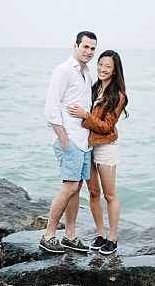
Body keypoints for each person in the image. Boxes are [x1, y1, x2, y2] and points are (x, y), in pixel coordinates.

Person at [39, 31, 98, 254]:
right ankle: (48, 235)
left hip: (83, 140)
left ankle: (70, 236)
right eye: (85, 47)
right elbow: (51, 108)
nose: (89, 52)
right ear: (75, 46)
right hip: (70, 139)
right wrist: (64, 139)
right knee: (69, 186)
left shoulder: (87, 74)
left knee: (77, 187)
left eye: (92, 48)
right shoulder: (63, 70)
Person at [67, 50, 128, 255]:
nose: (102, 68)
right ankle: (101, 235)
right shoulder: (93, 88)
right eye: (100, 64)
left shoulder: (118, 96)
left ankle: (112, 239)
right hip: (87, 146)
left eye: (108, 66)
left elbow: (107, 127)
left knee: (110, 195)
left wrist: (85, 115)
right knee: (93, 193)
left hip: (105, 147)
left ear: (115, 70)